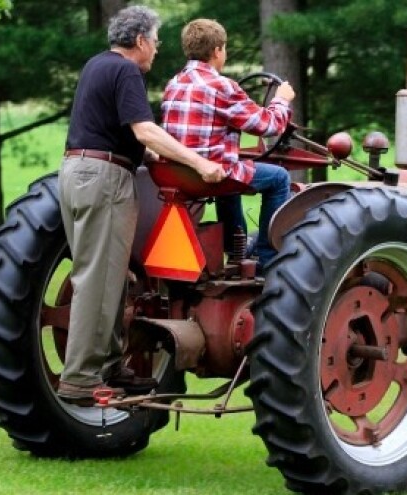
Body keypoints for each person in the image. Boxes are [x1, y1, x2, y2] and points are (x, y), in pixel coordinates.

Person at [57, 6, 226, 404]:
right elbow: (145, 130)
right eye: (155, 41)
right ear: (139, 41)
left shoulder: (96, 65)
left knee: (111, 276)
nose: (157, 48)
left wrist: (149, 156)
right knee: (98, 280)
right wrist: (199, 162)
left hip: (75, 172)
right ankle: (80, 379)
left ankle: (112, 366)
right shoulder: (126, 70)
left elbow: (112, 130)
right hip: (105, 179)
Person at [161, 18, 294, 270]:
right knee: (279, 178)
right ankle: (267, 258)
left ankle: (235, 250)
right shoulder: (222, 86)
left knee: (232, 178)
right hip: (210, 173)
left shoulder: (174, 83)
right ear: (217, 51)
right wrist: (281, 100)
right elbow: (269, 125)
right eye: (225, 48)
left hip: (178, 172)